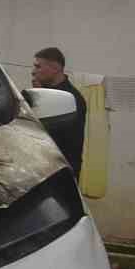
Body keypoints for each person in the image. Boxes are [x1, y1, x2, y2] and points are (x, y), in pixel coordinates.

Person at [32, 46, 87, 176]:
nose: (33, 72)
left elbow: (49, 134)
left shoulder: (70, 98)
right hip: (43, 167)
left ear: (55, 68)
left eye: (38, 67)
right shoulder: (46, 91)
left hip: (59, 172)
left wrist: (39, 97)